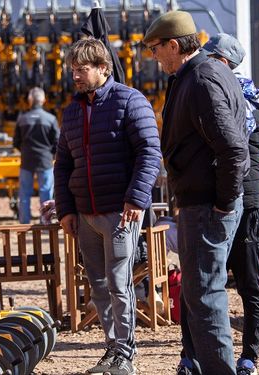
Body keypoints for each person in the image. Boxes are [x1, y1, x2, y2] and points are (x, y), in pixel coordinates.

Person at [143, 11, 249, 375]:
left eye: (156, 49)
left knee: (204, 297)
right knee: (200, 295)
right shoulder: (199, 75)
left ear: (174, 45)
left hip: (207, 206)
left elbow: (234, 150)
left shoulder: (201, 79)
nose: (153, 56)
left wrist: (222, 204)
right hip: (202, 202)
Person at [54, 38, 161, 375]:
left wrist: (135, 199)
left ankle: (125, 354)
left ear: (102, 67)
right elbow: (64, 165)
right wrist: (66, 211)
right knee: (98, 285)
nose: (75, 77)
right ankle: (112, 347)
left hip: (120, 212)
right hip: (86, 215)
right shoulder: (72, 111)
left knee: (119, 282)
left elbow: (149, 152)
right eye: (72, 71)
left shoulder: (130, 101)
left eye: (81, 70)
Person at [203, 33, 259, 375]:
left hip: (250, 203)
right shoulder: (225, 97)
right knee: (208, 283)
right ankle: (198, 355)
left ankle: (250, 357)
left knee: (249, 283)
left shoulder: (247, 105)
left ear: (225, 63)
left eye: (210, 57)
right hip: (225, 200)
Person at [13, 87, 60, 224]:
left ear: (29, 101)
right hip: (45, 160)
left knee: (24, 193)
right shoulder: (50, 119)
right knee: (46, 192)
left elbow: (16, 141)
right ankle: (45, 221)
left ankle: (24, 222)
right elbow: (57, 142)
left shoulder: (22, 119)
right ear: (44, 100)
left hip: (27, 160)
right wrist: (50, 154)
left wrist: (25, 151)